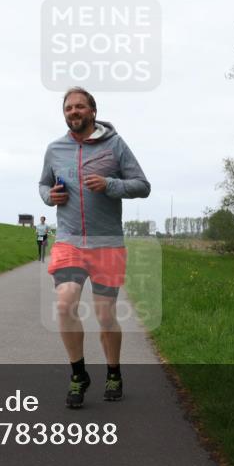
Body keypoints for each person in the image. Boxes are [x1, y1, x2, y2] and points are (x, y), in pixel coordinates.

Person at [39, 87, 150, 408]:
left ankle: (113, 371)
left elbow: (142, 185)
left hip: (107, 244)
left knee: (104, 314)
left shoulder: (115, 145)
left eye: (79, 107)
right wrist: (50, 197)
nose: (73, 112)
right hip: (69, 241)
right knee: (65, 303)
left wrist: (110, 185)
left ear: (93, 111)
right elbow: (44, 183)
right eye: (68, 108)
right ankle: (78, 374)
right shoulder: (55, 149)